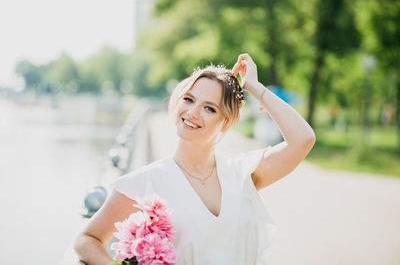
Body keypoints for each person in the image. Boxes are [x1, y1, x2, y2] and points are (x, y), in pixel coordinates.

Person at [74, 53, 316, 264]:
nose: (191, 113)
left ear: (226, 121)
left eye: (209, 108)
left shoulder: (242, 172)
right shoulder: (144, 181)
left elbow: (302, 140)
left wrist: (255, 87)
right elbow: (87, 240)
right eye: (189, 100)